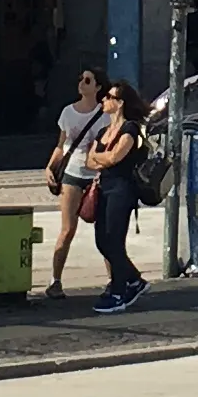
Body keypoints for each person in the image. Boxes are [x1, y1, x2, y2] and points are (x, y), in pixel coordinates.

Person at [41, 67, 107, 299]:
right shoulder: (68, 112)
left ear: (98, 87)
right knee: (67, 229)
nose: (82, 83)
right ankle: (55, 280)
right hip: (72, 173)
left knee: (105, 231)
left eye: (88, 80)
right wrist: (50, 166)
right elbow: (62, 144)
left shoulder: (105, 114)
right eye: (80, 79)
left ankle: (113, 280)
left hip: (97, 176)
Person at [85, 80, 148, 311]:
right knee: (102, 240)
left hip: (122, 190)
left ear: (119, 103)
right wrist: (103, 157)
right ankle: (135, 280)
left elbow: (113, 158)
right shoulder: (103, 131)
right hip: (103, 188)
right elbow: (89, 161)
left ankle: (120, 290)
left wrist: (101, 157)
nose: (103, 100)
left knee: (114, 240)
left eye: (108, 97)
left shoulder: (130, 129)